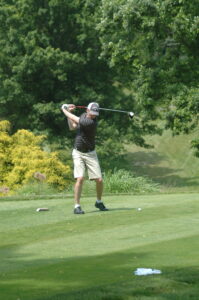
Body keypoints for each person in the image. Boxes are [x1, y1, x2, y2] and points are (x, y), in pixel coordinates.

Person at [61, 102, 108, 214]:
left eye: (95, 114)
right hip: (78, 153)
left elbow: (75, 119)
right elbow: (72, 127)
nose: (93, 115)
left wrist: (64, 110)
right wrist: (69, 113)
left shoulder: (91, 122)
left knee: (99, 180)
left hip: (91, 153)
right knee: (80, 178)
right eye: (92, 113)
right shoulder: (83, 116)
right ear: (87, 110)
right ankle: (77, 206)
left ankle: (98, 201)